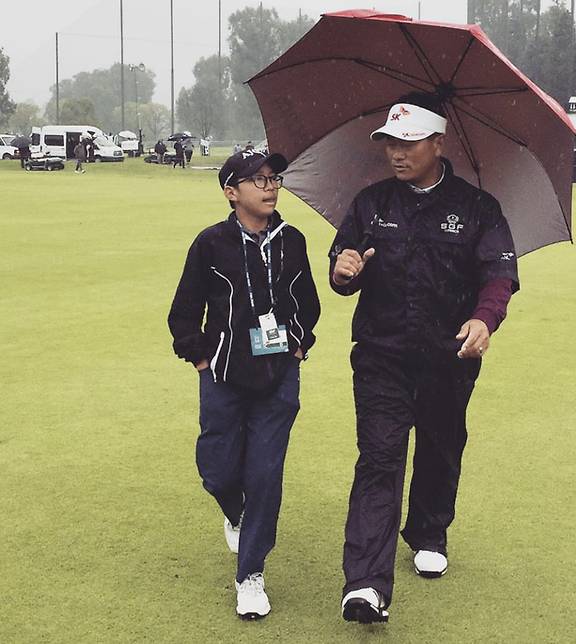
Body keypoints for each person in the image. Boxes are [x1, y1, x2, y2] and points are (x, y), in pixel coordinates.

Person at [329, 95, 519, 624]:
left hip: (449, 357)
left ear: (438, 143)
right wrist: (343, 271)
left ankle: (430, 531)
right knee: (379, 459)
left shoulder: (478, 208)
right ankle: (365, 584)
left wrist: (485, 318)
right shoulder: (370, 204)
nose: (396, 153)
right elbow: (343, 269)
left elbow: (499, 274)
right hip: (381, 356)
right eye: (390, 142)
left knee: (439, 447)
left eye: (409, 143)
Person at [168, 149, 320, 620]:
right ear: (231, 192)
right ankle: (233, 510)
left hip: (278, 378)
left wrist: (297, 345)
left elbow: (307, 304)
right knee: (217, 468)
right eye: (257, 180)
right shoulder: (211, 243)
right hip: (224, 375)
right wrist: (199, 357)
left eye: (273, 178)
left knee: (265, 476)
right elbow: (184, 311)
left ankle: (250, 574)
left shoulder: (292, 240)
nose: (270, 186)